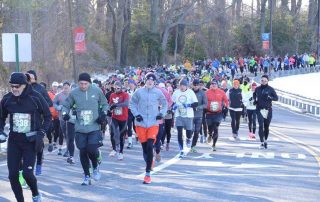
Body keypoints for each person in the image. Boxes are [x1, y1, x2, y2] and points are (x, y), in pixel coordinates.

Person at [0, 72, 52, 202]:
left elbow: (47, 116)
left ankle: (35, 193)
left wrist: (42, 132)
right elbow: (1, 117)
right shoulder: (7, 99)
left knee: (27, 174)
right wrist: (0, 130)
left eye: (17, 86)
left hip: (31, 141)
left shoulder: (35, 97)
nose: (14, 89)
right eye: (12, 86)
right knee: (12, 176)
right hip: (14, 141)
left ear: (24, 85)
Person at [62, 73, 108, 185]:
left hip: (94, 126)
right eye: (81, 83)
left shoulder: (97, 91)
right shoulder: (74, 93)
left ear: (89, 83)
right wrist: (65, 113)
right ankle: (87, 176)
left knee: (91, 150)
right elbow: (66, 105)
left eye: (85, 84)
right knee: (83, 151)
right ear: (78, 83)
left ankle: (96, 166)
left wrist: (103, 114)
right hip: (80, 127)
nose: (83, 86)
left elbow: (105, 104)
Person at [129, 72, 168, 184]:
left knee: (151, 145)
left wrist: (161, 113)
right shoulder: (139, 92)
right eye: (148, 79)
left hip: (153, 123)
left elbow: (165, 104)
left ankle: (147, 174)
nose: (150, 81)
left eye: (152, 80)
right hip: (140, 124)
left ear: (154, 82)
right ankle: (149, 162)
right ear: (145, 81)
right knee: (145, 148)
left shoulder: (158, 92)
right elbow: (132, 104)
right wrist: (137, 114)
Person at [172, 79, 198, 158]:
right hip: (179, 115)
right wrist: (173, 106)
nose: (182, 87)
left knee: (189, 133)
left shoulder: (190, 92)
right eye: (180, 85)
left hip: (188, 115)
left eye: (183, 85)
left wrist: (189, 105)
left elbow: (196, 103)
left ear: (186, 86)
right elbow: (172, 101)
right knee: (179, 132)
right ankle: (181, 150)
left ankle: (188, 139)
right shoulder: (176, 92)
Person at [53, 81, 76, 164]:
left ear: (69, 87)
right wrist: (58, 107)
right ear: (63, 87)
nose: (66, 88)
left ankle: (68, 151)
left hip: (71, 118)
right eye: (64, 87)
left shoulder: (73, 95)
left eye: (67, 86)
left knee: (69, 135)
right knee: (65, 134)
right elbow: (54, 103)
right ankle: (68, 149)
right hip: (62, 118)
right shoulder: (58, 95)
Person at [253, 75, 278, 149]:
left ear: (267, 81)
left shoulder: (270, 89)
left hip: (268, 110)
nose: (263, 82)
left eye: (265, 81)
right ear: (260, 81)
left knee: (266, 126)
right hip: (259, 109)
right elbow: (254, 94)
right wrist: (255, 100)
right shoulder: (257, 89)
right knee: (261, 126)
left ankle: (265, 140)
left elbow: (276, 98)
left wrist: (270, 97)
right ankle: (261, 142)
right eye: (262, 80)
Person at [205, 79, 229, 151]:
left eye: (215, 84)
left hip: (218, 113)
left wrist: (226, 107)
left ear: (217, 85)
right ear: (210, 85)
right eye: (212, 84)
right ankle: (209, 134)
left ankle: (214, 145)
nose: (214, 85)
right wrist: (204, 108)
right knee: (210, 127)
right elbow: (203, 101)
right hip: (209, 112)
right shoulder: (207, 92)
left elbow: (226, 100)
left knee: (216, 128)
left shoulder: (221, 92)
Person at [108, 81, 129, 160]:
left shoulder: (125, 94)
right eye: (115, 88)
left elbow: (126, 104)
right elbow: (110, 104)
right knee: (113, 132)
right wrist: (109, 108)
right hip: (115, 117)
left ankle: (121, 152)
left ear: (121, 87)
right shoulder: (112, 95)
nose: (117, 89)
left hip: (123, 118)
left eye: (118, 88)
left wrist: (116, 105)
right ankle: (114, 149)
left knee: (121, 135)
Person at [190, 79, 207, 153]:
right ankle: (188, 140)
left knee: (196, 131)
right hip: (190, 115)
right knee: (190, 130)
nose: (196, 86)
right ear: (192, 85)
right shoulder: (189, 92)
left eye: (197, 85)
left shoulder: (202, 93)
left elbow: (205, 104)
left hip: (199, 115)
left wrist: (198, 107)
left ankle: (193, 146)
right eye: (194, 85)